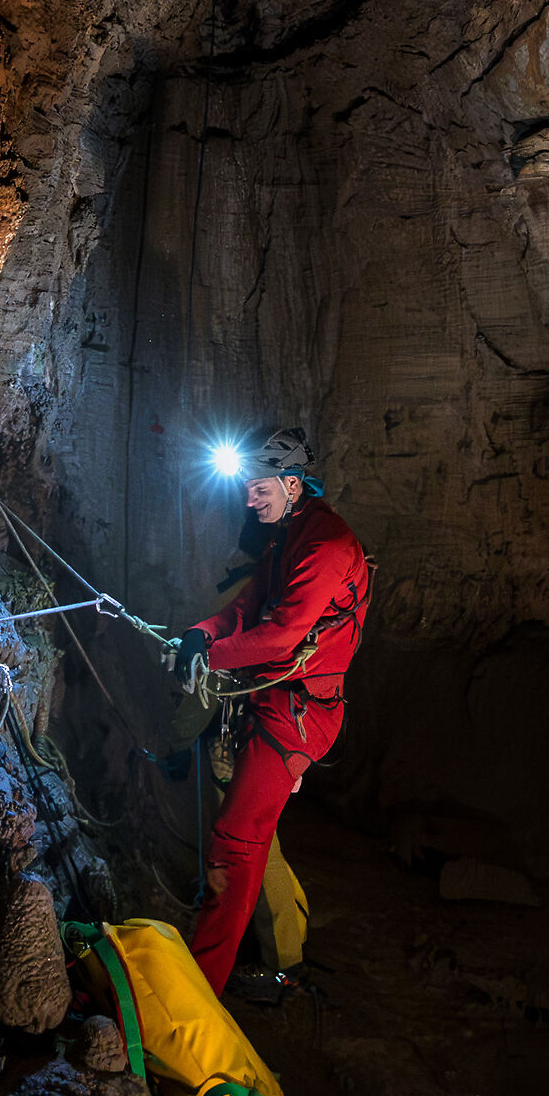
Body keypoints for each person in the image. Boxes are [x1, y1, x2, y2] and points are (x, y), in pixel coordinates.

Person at [170, 426, 369, 998]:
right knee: (248, 837)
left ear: (290, 482)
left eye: (259, 489)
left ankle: (202, 985)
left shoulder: (326, 545)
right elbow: (247, 608)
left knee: (237, 841)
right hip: (270, 701)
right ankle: (261, 956)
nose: (249, 500)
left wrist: (213, 657)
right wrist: (198, 635)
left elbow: (281, 637)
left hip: (299, 714)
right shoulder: (289, 537)